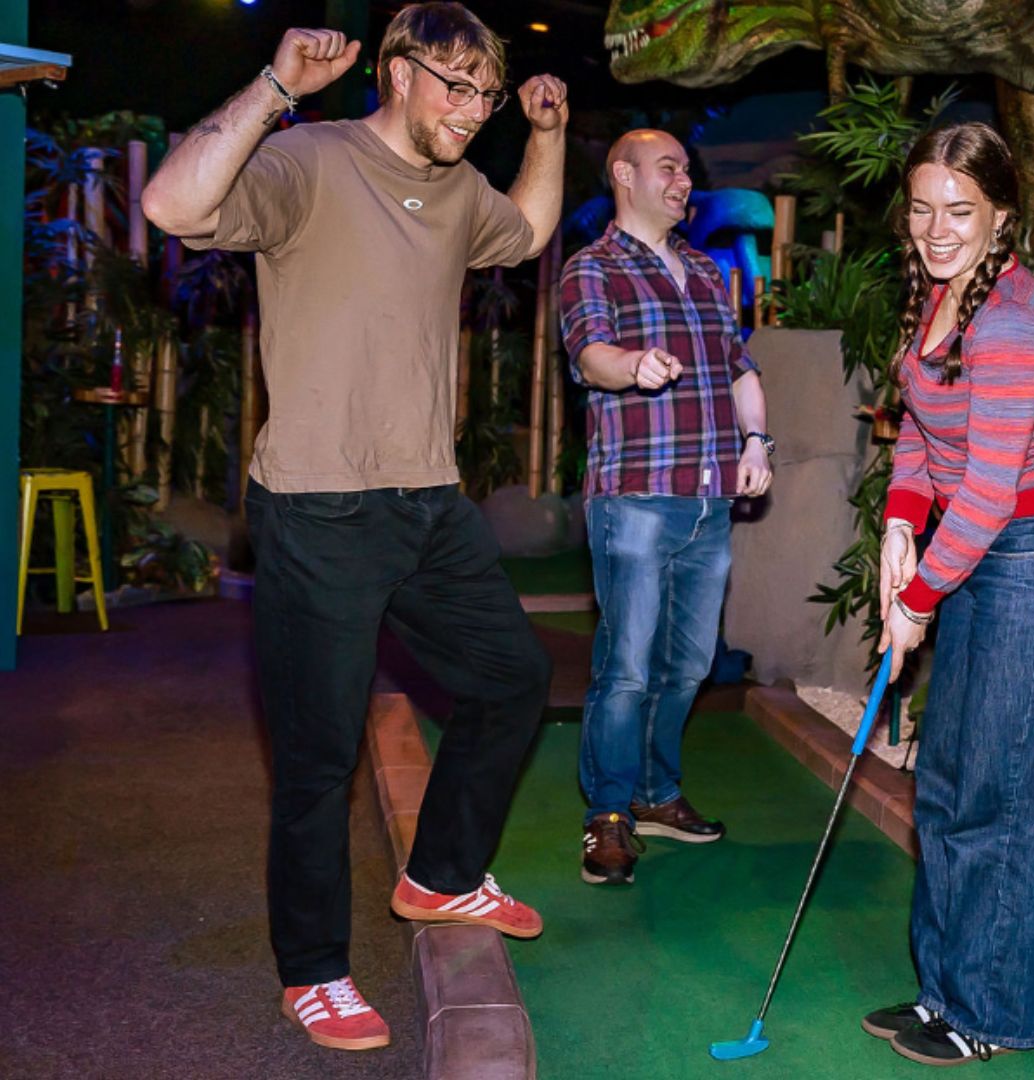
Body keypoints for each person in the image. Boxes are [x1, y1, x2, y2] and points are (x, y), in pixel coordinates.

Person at [141, 3, 567, 1053]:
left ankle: (441, 877)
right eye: (453, 83)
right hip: (320, 507)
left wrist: (548, 135)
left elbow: (530, 230)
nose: (471, 108)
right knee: (319, 752)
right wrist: (279, 87)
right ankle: (314, 972)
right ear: (396, 70)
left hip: (427, 502)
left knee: (512, 676)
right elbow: (169, 201)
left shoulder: (462, 190)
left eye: (485, 89)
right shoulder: (312, 162)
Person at [857, 121, 1034, 1067]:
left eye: (959, 211)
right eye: (923, 208)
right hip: (981, 555)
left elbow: (993, 487)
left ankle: (986, 1013)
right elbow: (924, 437)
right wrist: (895, 522)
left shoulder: (1005, 320)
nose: (936, 227)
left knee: (1003, 801)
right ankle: (942, 991)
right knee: (949, 786)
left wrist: (917, 596)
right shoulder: (935, 299)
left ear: (1002, 214)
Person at [558, 130, 772, 887]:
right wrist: (632, 367)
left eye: (687, 169)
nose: (686, 180)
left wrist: (756, 442)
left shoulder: (709, 271)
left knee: (687, 664)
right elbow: (590, 356)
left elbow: (739, 366)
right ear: (624, 175)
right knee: (626, 666)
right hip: (636, 498)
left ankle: (655, 792)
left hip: (711, 500)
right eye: (670, 168)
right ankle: (608, 814)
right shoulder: (593, 268)